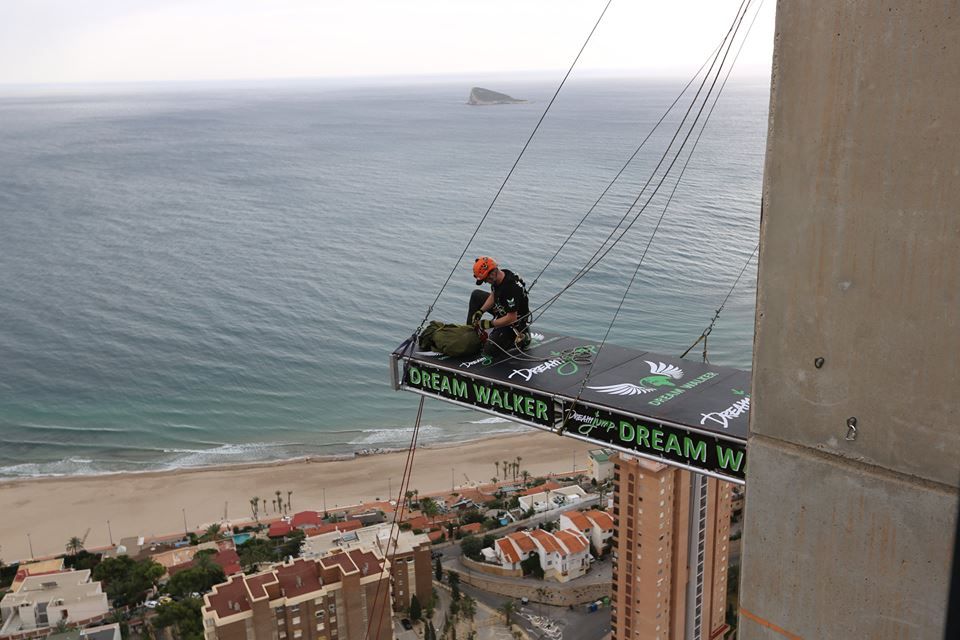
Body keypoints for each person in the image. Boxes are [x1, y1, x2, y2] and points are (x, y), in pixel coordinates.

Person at [468, 256, 531, 357]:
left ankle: (523, 336)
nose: (486, 282)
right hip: (503, 309)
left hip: (515, 322)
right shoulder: (501, 276)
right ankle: (470, 332)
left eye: (486, 279)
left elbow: (512, 317)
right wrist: (481, 311)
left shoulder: (510, 287)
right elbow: (494, 294)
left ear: (492, 272)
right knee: (476, 295)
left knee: (489, 350)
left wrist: (490, 324)